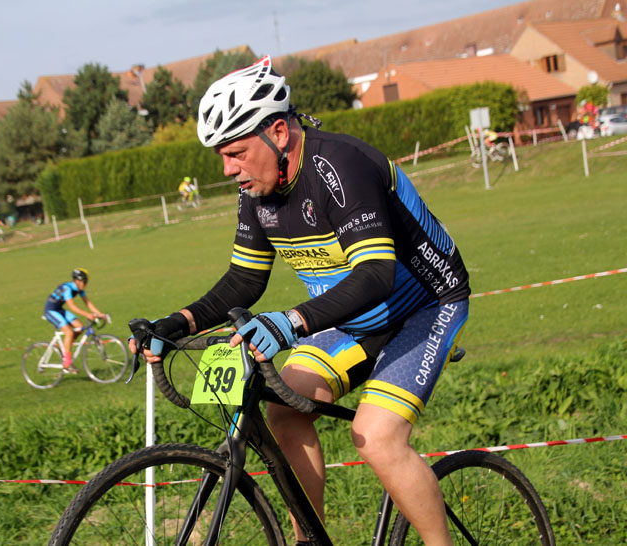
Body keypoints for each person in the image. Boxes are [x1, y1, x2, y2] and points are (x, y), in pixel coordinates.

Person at [131, 56, 470, 546]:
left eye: (236, 153)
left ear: (279, 133)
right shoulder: (257, 189)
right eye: (222, 157)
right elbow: (244, 280)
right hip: (350, 316)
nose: (228, 170)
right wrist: (177, 323)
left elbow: (377, 274)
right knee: (284, 410)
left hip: (423, 307)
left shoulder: (342, 166)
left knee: (376, 437)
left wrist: (291, 322)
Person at [44, 268, 106, 373]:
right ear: (77, 281)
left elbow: (87, 302)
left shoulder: (79, 289)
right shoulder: (67, 288)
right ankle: (67, 363)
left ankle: (66, 347)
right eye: (84, 282)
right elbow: (72, 306)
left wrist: (99, 313)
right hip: (51, 310)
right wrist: (87, 314)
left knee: (79, 327)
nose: (85, 285)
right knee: (68, 332)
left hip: (59, 309)